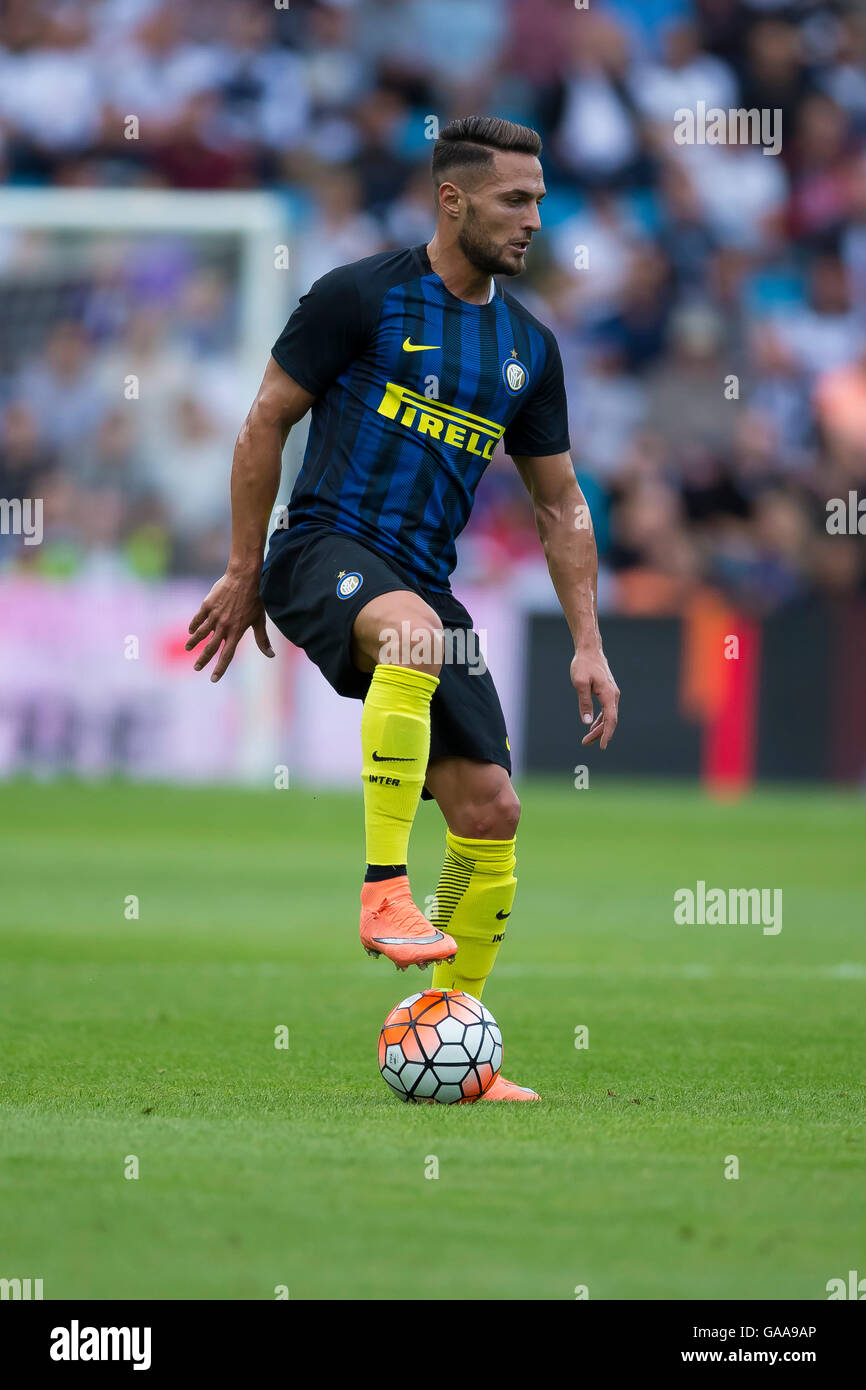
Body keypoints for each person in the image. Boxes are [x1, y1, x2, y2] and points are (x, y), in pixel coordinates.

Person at [186, 116, 620, 1101]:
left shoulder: (526, 348)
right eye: (516, 199)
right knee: (414, 637)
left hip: (422, 586)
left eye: (541, 200)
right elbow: (266, 420)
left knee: (492, 809)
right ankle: (383, 890)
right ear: (452, 199)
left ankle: (455, 1040)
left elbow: (559, 504)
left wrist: (587, 643)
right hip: (322, 550)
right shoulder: (360, 296)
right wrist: (244, 564)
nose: (533, 219)